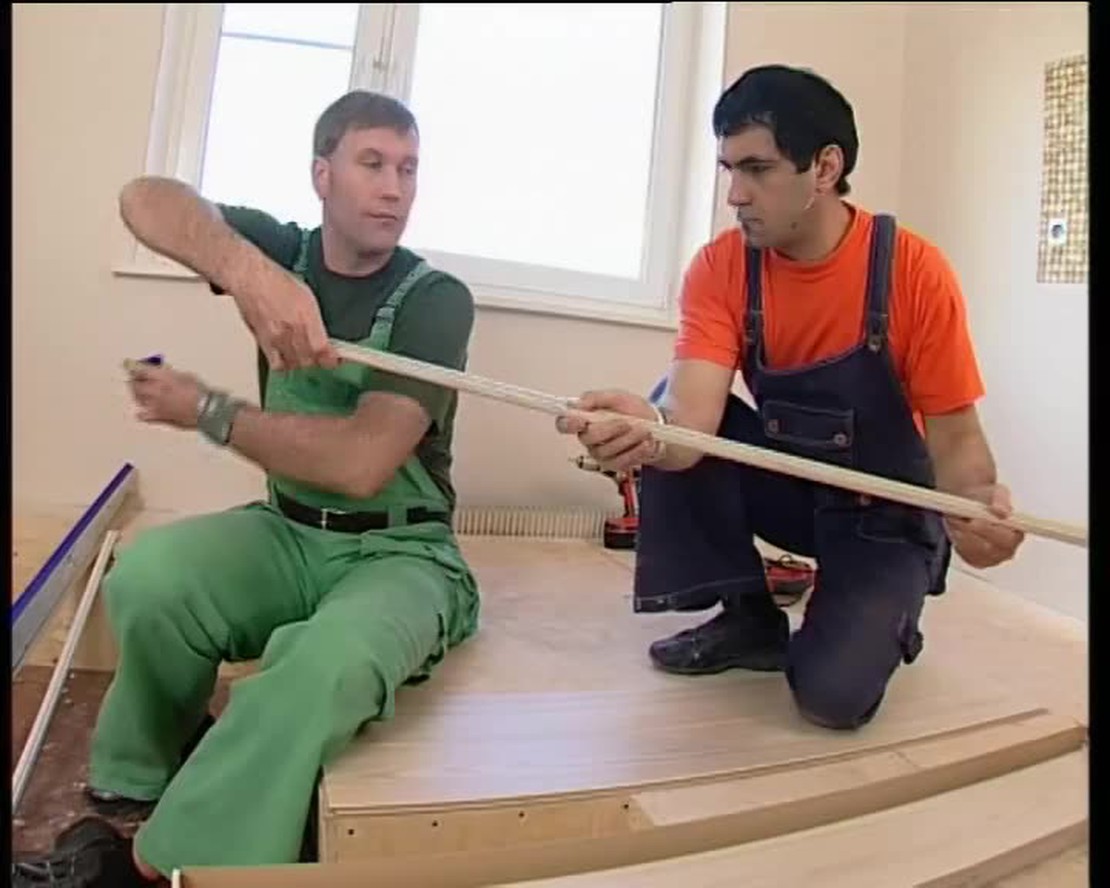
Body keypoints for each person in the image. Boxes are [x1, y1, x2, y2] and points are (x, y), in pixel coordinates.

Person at [13, 90, 481, 886]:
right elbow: (144, 199)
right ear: (322, 175)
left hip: (401, 552)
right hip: (286, 528)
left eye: (408, 169)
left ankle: (155, 864)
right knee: (149, 576)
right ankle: (146, 773)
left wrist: (208, 412)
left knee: (325, 665)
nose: (394, 188)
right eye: (372, 164)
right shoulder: (280, 251)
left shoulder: (436, 301)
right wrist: (247, 273)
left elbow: (362, 462)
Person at [558, 65, 1024, 730]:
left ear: (825, 167)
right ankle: (748, 617)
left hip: (885, 517)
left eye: (758, 169)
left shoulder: (914, 272)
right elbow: (689, 422)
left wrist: (977, 516)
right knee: (667, 411)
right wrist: (649, 431)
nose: (735, 195)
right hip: (794, 490)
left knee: (832, 699)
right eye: (728, 169)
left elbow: (957, 441)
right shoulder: (721, 267)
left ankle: (878, 607)